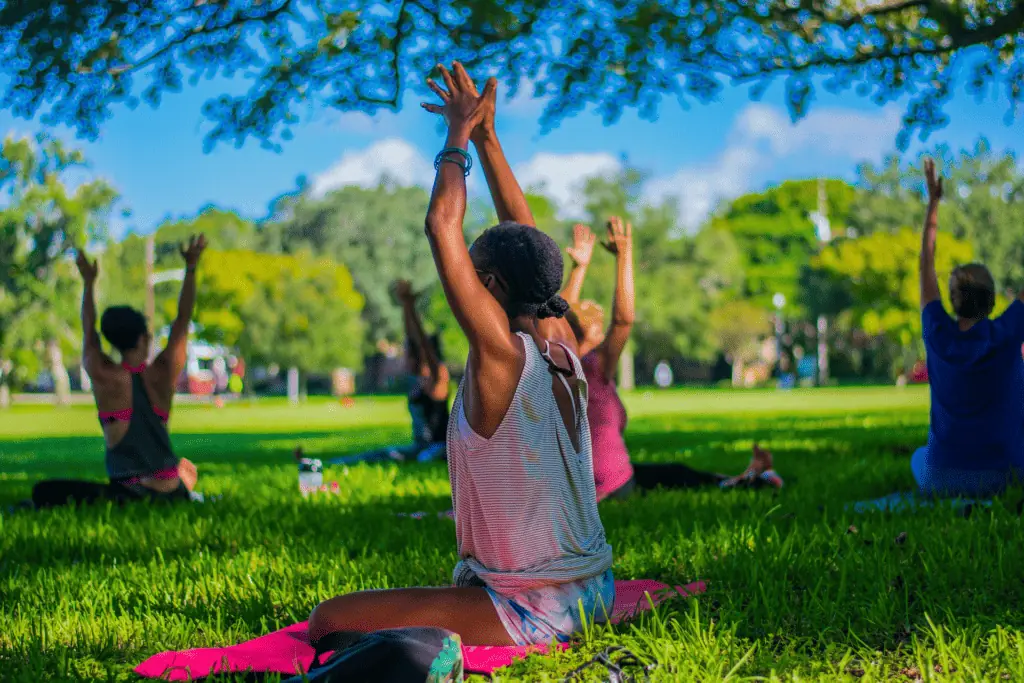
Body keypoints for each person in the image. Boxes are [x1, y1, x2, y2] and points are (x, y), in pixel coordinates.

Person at [308, 63, 614, 649]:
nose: (464, 286)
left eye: (473, 277)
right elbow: (526, 238)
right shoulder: (562, 346)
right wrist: (489, 136)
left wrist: (455, 137)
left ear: (492, 286)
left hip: (536, 608)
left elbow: (440, 224)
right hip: (595, 589)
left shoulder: (500, 356)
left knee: (330, 620)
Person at [560, 221, 783, 501]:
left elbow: (557, 323)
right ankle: (750, 482)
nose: (601, 331)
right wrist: (624, 256)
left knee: (675, 474)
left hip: (604, 481)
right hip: (609, 487)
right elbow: (621, 320)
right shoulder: (590, 366)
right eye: (595, 327)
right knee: (673, 477)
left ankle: (743, 480)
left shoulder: (560, 365)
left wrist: (579, 268)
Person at [30, 236, 207, 509]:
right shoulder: (162, 373)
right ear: (144, 339)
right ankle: (183, 489)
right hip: (171, 492)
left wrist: (88, 284)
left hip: (128, 494)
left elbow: (89, 334)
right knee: (182, 471)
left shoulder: (104, 376)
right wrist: (191, 268)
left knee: (44, 491)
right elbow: (182, 321)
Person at [912, 158, 1024, 497]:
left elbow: (925, 264)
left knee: (920, 457)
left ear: (952, 299)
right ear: (991, 301)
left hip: (940, 480)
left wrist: (934, 202)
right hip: (1005, 479)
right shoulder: (1007, 333)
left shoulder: (937, 332)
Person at [328, 280, 450, 465]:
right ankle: (336, 463)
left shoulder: (437, 378)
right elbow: (412, 338)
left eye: (409, 352)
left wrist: (410, 308)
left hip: (439, 449)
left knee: (419, 457)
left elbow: (422, 344)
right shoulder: (420, 379)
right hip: (421, 448)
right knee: (385, 454)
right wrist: (406, 306)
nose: (404, 355)